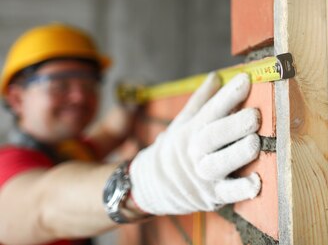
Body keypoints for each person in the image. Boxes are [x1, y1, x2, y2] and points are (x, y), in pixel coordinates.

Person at [0, 23, 262, 245]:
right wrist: (150, 181)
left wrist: (129, 108)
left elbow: (109, 133)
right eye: (60, 85)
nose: (79, 96)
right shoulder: (7, 166)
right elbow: (45, 206)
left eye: (89, 84)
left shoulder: (72, 149)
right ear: (16, 98)